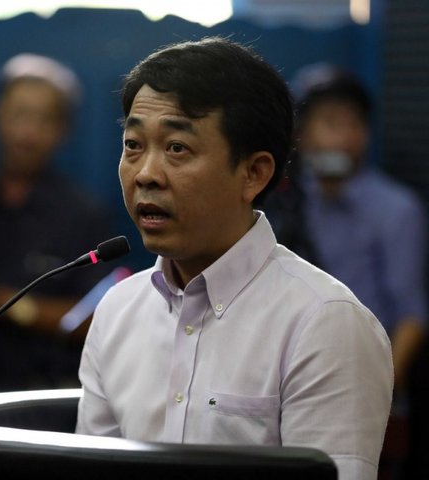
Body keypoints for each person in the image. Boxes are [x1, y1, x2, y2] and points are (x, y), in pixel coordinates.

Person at [75, 37, 393, 480]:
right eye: (133, 145)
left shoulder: (325, 323)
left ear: (254, 173)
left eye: (177, 148)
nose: (146, 174)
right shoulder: (117, 311)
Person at [0, 53, 116, 397]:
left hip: (44, 392)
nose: (28, 133)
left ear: (64, 131)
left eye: (44, 119)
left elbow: (95, 319)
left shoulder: (83, 213)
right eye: (20, 114)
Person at [264, 63, 427, 398]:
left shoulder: (397, 209)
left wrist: (380, 392)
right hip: (285, 379)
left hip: (360, 381)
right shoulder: (283, 202)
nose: (345, 137)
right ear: (301, 134)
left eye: (355, 124)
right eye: (331, 123)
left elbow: (411, 314)